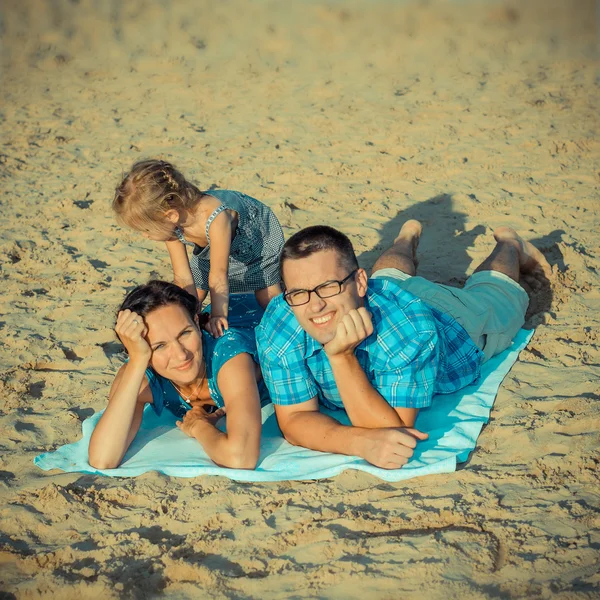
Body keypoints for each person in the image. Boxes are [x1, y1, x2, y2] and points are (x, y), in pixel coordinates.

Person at [256, 220, 551, 469]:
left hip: (455, 322)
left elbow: (391, 429)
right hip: (386, 293)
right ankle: (406, 239)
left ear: (359, 283)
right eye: (299, 292)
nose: (315, 305)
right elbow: (295, 419)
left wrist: (341, 357)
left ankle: (510, 245)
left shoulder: (410, 332)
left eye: (327, 287)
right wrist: (358, 443)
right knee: (389, 277)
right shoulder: (283, 319)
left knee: (496, 293)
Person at [88, 280, 269, 470]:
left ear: (197, 324)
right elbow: (102, 458)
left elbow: (241, 458)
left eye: (185, 333)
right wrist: (137, 361)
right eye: (159, 346)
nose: (181, 355)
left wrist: (199, 426)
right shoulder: (140, 373)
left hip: (253, 313)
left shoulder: (228, 356)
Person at [112, 159, 284, 338]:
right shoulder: (170, 225)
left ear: (170, 215)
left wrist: (218, 316)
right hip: (208, 246)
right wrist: (191, 312)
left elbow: (218, 274)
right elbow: (183, 277)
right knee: (193, 296)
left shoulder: (215, 217)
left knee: (267, 296)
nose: (144, 236)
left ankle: (291, 327)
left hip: (255, 241)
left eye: (146, 230)